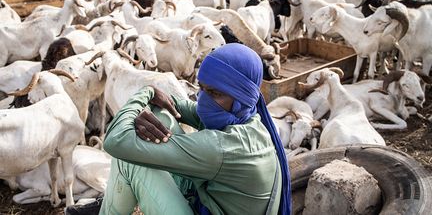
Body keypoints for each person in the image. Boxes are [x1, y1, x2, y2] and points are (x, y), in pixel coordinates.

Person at [65, 43, 291, 215]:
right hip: (213, 204)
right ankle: (111, 200)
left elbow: (115, 141)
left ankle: (110, 206)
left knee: (129, 161)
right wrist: (157, 97)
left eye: (215, 93)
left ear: (241, 97)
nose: (203, 100)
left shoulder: (222, 146)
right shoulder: (248, 119)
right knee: (164, 116)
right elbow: (179, 107)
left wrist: (144, 94)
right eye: (201, 89)